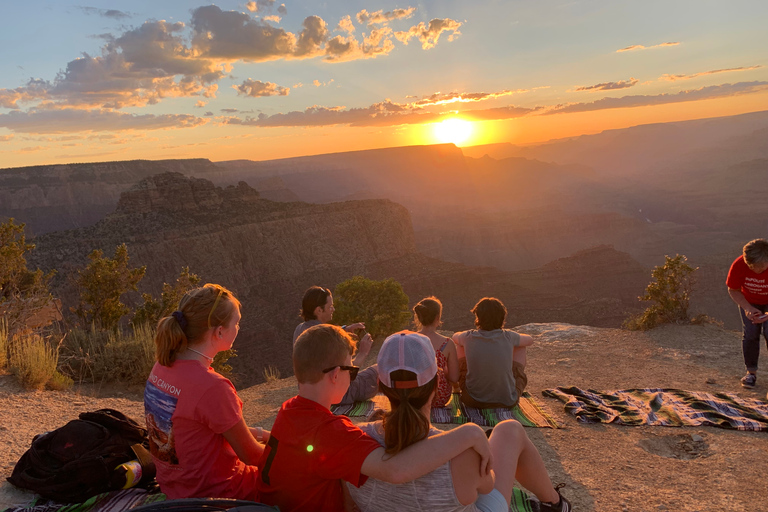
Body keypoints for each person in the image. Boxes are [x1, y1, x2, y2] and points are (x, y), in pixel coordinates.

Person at [255, 324, 494, 512]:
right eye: (353, 370)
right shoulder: (332, 432)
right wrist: (469, 433)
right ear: (336, 375)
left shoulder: (289, 410)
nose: (355, 376)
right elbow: (396, 470)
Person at [346, 331, 571, 512]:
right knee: (510, 429)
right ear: (436, 384)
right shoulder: (463, 454)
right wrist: (474, 439)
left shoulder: (353, 439)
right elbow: (488, 485)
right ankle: (555, 504)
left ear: (380, 386)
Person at [144, 283, 270, 499]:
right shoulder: (213, 387)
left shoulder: (162, 366)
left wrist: (262, 434)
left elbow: (197, 428)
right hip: (218, 493)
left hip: (175, 487)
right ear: (219, 331)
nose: (238, 328)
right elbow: (253, 457)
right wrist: (297, 455)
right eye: (236, 323)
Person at [293, 285, 378, 403]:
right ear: (319, 310)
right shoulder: (327, 337)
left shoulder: (301, 330)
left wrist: (344, 329)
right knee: (380, 369)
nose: (333, 309)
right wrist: (363, 352)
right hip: (341, 393)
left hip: (311, 393)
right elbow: (347, 374)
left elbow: (323, 334)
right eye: (330, 307)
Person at [452, 297, 533, 409]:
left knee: (460, 346)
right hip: (508, 401)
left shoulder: (468, 336)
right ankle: (509, 381)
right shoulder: (509, 336)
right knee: (521, 346)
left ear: (478, 317)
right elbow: (529, 340)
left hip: (472, 400)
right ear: (502, 317)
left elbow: (454, 337)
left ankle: (456, 387)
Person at [726, 239, 768, 389]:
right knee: (750, 334)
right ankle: (751, 373)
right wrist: (747, 308)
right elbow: (733, 289)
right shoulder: (739, 264)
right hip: (749, 301)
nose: (756, 270)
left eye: (760, 267)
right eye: (752, 266)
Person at [413, 296, 459, 407]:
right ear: (437, 317)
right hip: (439, 397)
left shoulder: (409, 340)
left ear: (418, 317)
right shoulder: (447, 343)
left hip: (414, 396)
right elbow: (454, 378)